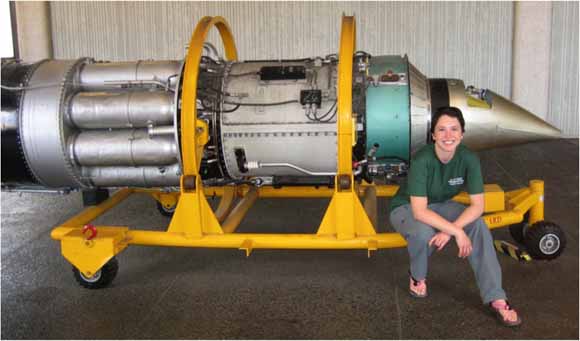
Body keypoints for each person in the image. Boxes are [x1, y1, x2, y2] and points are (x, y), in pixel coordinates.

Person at [389, 106, 521, 327]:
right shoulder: (422, 160)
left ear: (462, 134)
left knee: (477, 225)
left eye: (454, 129)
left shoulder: (469, 159)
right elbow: (420, 211)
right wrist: (456, 231)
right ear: (433, 135)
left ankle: (496, 297)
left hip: (442, 205)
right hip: (407, 208)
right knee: (423, 233)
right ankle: (417, 275)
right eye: (441, 130)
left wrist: (451, 230)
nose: (448, 136)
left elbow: (478, 206)